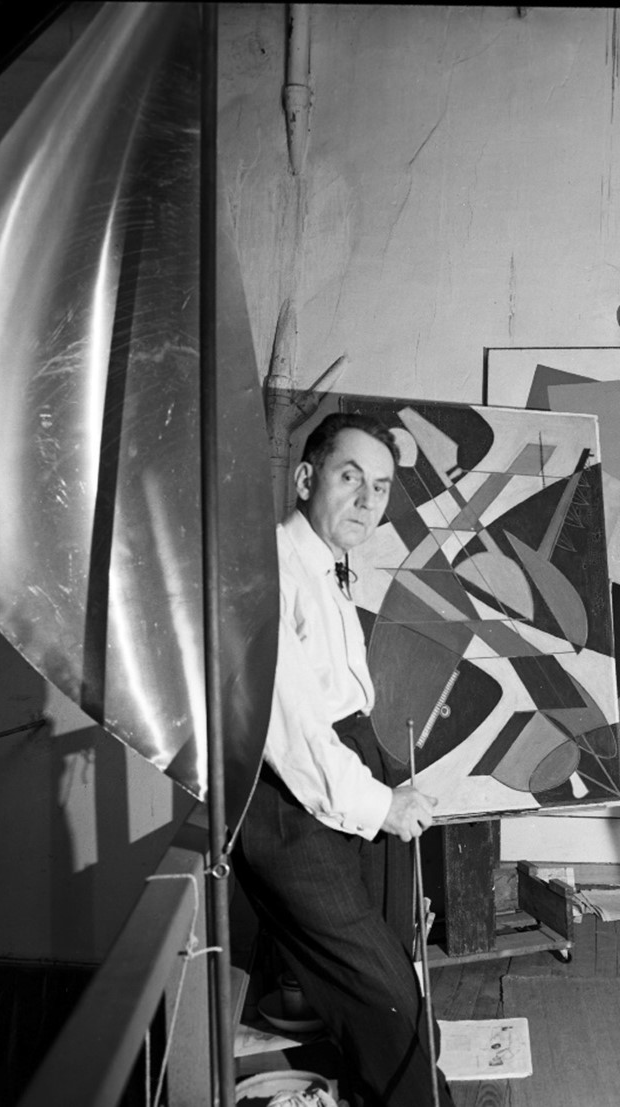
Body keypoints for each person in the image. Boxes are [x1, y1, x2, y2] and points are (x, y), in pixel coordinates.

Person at [234, 412, 453, 1107]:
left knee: (401, 981)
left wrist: (387, 774)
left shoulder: (327, 566)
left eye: (381, 486)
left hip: (346, 767)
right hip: (293, 800)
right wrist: (382, 804)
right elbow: (292, 731)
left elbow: (340, 700)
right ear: (305, 478)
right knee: (385, 1000)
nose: (366, 499)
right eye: (349, 476)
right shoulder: (267, 569)